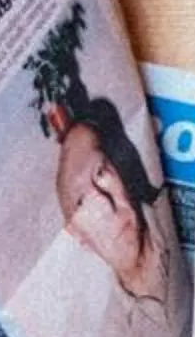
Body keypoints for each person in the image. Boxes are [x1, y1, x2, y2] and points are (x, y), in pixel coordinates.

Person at [53, 93, 171, 306]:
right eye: (81, 202)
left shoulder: (179, 214)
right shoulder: (107, 322)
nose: (105, 205)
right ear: (77, 235)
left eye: (100, 172)